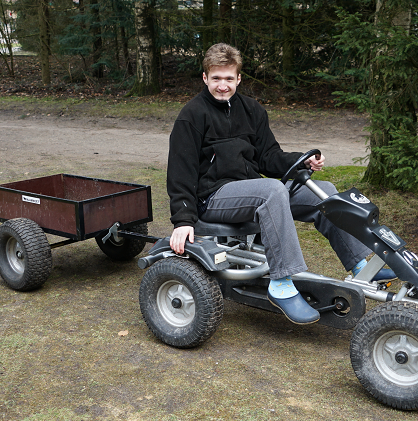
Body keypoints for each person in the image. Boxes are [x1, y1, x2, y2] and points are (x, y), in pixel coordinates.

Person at [166, 43, 393, 325]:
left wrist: (302, 160)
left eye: (228, 78)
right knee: (271, 191)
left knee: (326, 193)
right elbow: (180, 171)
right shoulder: (192, 116)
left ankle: (359, 262)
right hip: (212, 197)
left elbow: (268, 156)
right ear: (205, 78)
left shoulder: (252, 110)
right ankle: (281, 282)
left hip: (250, 190)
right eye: (216, 78)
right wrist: (183, 219)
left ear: (239, 78)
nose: (222, 86)